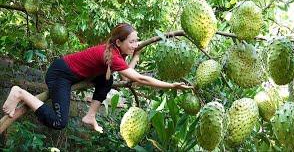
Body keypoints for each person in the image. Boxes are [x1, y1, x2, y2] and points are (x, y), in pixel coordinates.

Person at [2, 23, 192, 133]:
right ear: (119, 42)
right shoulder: (111, 54)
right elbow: (139, 78)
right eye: (132, 42)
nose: (135, 44)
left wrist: (136, 54)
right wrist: (171, 85)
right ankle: (20, 93)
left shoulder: (117, 49)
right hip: (60, 75)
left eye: (136, 41)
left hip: (73, 75)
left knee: (106, 80)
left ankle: (90, 115)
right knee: (59, 123)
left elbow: (128, 72)